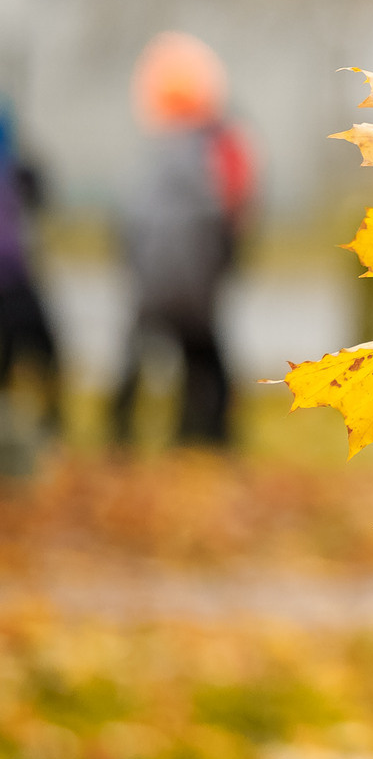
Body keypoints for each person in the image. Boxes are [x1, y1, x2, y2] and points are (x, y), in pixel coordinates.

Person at [112, 31, 256, 449]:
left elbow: (130, 224)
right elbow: (235, 213)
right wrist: (227, 258)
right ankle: (208, 436)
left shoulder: (161, 155)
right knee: (206, 359)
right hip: (196, 279)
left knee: (144, 352)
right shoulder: (217, 148)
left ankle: (123, 435)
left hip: (155, 279)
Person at [0, 97, 64, 440]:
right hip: (11, 279)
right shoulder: (13, 170)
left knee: (16, 350)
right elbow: (40, 193)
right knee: (46, 351)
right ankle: (52, 424)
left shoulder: (14, 171)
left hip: (11, 279)